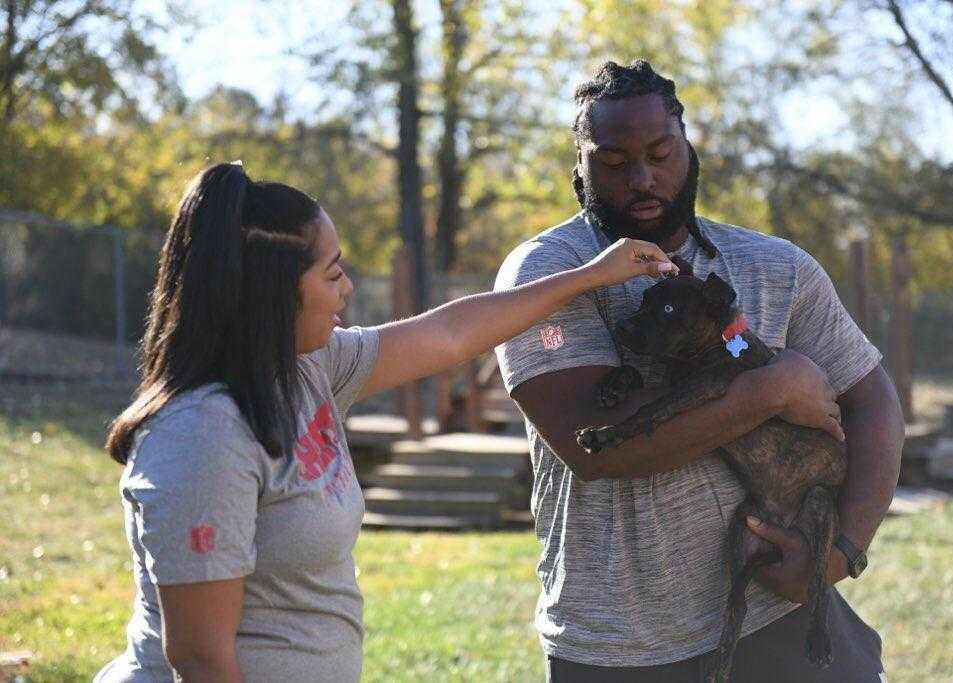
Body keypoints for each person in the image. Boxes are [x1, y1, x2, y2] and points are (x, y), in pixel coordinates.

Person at [94, 161, 677, 683]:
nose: (347, 287)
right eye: (332, 273)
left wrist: (588, 276)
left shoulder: (304, 369)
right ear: (272, 293)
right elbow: (199, 661)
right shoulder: (203, 436)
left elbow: (450, 334)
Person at [494, 60, 904, 682]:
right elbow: (597, 449)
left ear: (688, 146)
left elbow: (874, 401)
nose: (643, 179)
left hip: (776, 616)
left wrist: (842, 552)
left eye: (661, 152)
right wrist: (767, 392)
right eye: (613, 162)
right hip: (619, 645)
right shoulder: (547, 278)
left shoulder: (776, 268)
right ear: (579, 166)